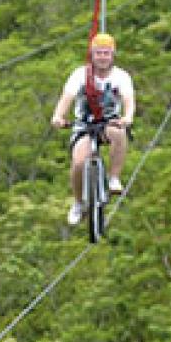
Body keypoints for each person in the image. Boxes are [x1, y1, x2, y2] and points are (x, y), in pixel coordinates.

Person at [50, 32, 136, 225]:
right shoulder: (80, 75)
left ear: (112, 55)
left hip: (109, 123)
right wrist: (58, 116)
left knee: (119, 134)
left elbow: (128, 99)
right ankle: (79, 202)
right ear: (92, 54)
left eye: (106, 53)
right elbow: (67, 97)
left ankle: (114, 178)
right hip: (84, 125)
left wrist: (127, 117)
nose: (103, 57)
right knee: (79, 163)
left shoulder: (121, 76)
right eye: (99, 53)